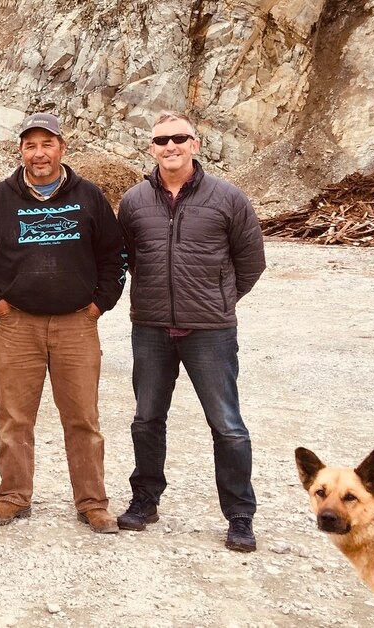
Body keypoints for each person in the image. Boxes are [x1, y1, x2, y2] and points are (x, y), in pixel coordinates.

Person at [0, 112, 126, 533]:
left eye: (47, 144)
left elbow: (114, 257)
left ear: (62, 148)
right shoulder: (0, 198)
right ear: (21, 151)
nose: (39, 153)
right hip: (18, 325)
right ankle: (13, 496)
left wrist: (98, 305)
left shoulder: (89, 196)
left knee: (83, 418)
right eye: (31, 145)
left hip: (77, 325)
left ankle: (92, 502)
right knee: (15, 417)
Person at [115, 111, 266, 552]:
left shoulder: (227, 197)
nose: (170, 146)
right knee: (146, 419)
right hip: (151, 328)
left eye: (179, 138)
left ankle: (240, 515)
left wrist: (217, 301)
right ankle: (144, 500)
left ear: (195, 144)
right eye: (162, 140)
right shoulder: (134, 201)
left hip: (210, 332)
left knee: (227, 425)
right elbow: (128, 259)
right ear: (151, 149)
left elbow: (251, 261)